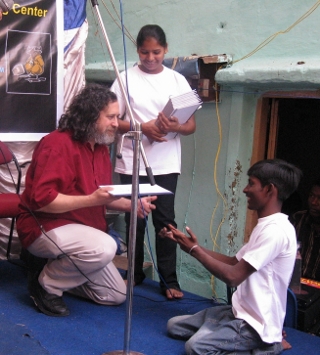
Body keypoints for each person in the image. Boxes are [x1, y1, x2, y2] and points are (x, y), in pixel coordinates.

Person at [16, 84, 157, 317]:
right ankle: (46, 286)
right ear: (91, 116)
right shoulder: (57, 144)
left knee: (115, 294)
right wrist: (91, 199)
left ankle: (52, 270)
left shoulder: (100, 147)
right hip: (42, 226)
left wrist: (132, 205)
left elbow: (101, 196)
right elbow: (43, 201)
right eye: (110, 117)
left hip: (82, 232)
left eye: (117, 117)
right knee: (105, 247)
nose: (116, 123)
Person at [160, 159, 302, 355]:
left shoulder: (276, 231)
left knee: (196, 348)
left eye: (251, 183)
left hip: (255, 324)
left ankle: (268, 345)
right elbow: (234, 262)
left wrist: (195, 251)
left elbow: (234, 276)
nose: (245, 189)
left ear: (270, 190)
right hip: (238, 312)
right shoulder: (266, 226)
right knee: (174, 326)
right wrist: (189, 245)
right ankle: (238, 337)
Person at [110, 24, 196, 299]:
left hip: (167, 162)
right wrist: (141, 128)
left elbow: (191, 124)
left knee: (165, 221)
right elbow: (112, 121)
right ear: (137, 50)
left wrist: (176, 126)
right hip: (133, 160)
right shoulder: (124, 79)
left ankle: (169, 281)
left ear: (166, 50)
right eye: (144, 52)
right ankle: (133, 274)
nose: (150, 58)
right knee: (134, 218)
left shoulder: (177, 81)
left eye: (156, 52)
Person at [290, 177, 320, 281]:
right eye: (312, 196)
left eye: (319, 198)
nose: (314, 202)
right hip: (294, 287)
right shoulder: (297, 220)